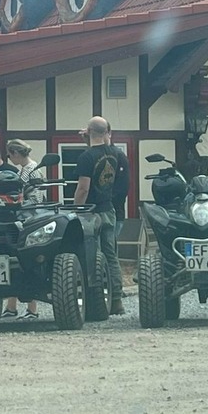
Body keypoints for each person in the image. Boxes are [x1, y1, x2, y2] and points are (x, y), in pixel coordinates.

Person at [73, 116, 128, 316]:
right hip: (109, 210)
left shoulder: (86, 157)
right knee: (111, 256)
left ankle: (95, 303)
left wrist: (76, 210)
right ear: (106, 132)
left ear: (88, 131)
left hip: (91, 212)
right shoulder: (116, 154)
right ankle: (116, 301)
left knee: (93, 257)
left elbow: (83, 188)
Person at [2, 139, 44, 321]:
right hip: (24, 216)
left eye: (10, 155)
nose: (9, 159)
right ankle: (11, 306)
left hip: (29, 218)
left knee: (24, 258)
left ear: (16, 154)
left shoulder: (31, 171)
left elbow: (35, 197)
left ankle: (31, 308)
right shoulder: (26, 169)